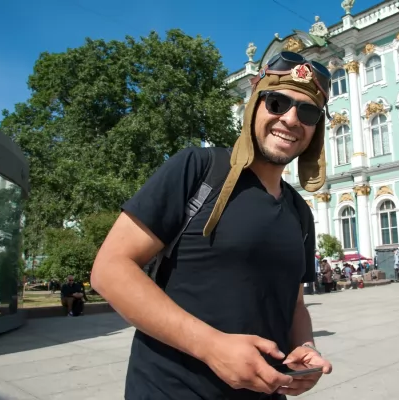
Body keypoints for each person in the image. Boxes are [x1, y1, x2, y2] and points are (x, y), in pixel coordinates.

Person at [91, 51, 333, 400]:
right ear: (254, 106)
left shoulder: (299, 212)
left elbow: (294, 304)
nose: (291, 119)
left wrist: (305, 347)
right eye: (277, 102)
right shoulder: (197, 169)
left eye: (307, 111)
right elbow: (110, 269)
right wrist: (211, 346)